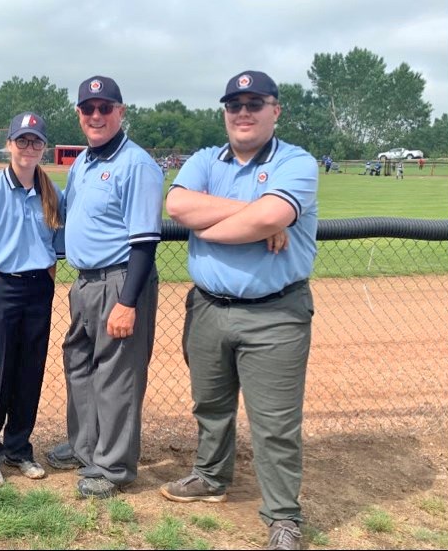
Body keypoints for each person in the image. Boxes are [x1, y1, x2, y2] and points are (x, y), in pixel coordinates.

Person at [161, 70, 318, 551]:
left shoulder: (297, 161)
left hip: (276, 314)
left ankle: (283, 517)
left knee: (274, 423)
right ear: (225, 112)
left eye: (255, 103)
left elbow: (270, 216)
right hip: (209, 307)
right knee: (211, 405)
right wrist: (249, 214)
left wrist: (218, 224)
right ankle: (210, 477)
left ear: (276, 110)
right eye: (235, 105)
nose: (243, 113)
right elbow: (176, 205)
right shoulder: (208, 158)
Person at [45, 76, 163, 499]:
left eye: (105, 107)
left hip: (120, 280)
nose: (96, 115)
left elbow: (145, 241)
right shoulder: (83, 162)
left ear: (120, 111)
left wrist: (128, 301)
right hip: (86, 282)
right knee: (79, 363)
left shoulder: (137, 164)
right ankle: (85, 447)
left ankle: (113, 467)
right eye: (88, 108)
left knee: (116, 376)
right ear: (79, 114)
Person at [0, 112, 65, 486]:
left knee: (29, 372)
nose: (29, 148)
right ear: (9, 144)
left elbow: (56, 251)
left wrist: (45, 285)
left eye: (36, 141)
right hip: (1, 287)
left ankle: (19, 448)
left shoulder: (53, 192)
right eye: (22, 140)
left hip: (39, 288)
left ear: (44, 148)